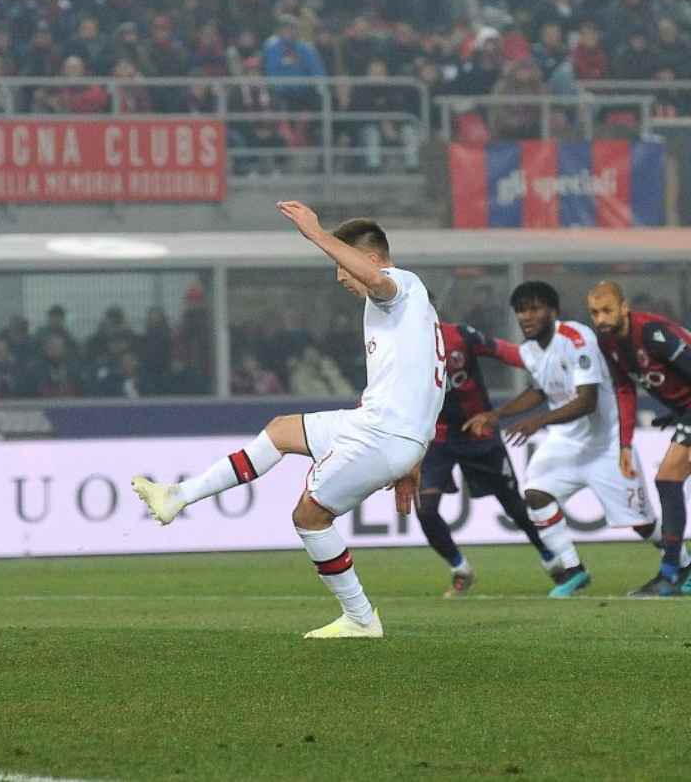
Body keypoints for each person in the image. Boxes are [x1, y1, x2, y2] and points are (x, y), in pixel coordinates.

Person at [133, 205, 444, 639]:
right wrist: (415, 459)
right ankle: (178, 496)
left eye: (342, 265)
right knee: (280, 431)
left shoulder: (401, 286)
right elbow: (425, 389)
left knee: (310, 517)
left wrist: (316, 234)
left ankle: (360, 617)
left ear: (371, 260)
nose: (339, 278)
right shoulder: (413, 313)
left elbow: (376, 280)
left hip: (385, 435)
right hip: (380, 425)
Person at [463, 282, 658, 598]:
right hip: (567, 443)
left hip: (606, 444)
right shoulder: (530, 350)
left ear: (553, 311)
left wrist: (537, 421)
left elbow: (587, 400)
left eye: (534, 308)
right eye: (521, 310)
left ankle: (683, 564)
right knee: (536, 493)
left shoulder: (576, 338)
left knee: (642, 525)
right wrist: (496, 416)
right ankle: (573, 569)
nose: (527, 316)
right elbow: (541, 390)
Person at [419, 315, 555, 597]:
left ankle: (552, 558)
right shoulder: (399, 347)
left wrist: (543, 365)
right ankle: (460, 569)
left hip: (477, 430)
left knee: (514, 505)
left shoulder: (461, 335)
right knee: (425, 508)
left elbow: (504, 351)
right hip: (438, 437)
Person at [587, 281, 691, 596]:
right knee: (669, 480)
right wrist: (625, 444)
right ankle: (676, 573)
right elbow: (624, 390)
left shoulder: (652, 334)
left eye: (607, 310)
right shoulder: (608, 343)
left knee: (668, 478)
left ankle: (671, 574)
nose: (600, 319)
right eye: (594, 312)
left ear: (624, 307)